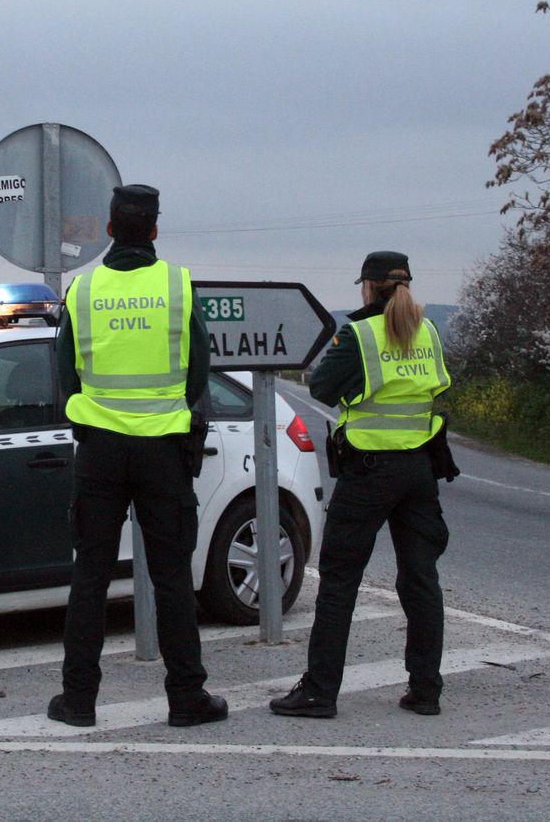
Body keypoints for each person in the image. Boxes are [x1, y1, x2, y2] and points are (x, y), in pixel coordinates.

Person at [48, 184, 227, 729]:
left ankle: (78, 701)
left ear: (108, 230)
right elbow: (199, 370)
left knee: (91, 578)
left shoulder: (81, 291)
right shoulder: (177, 284)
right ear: (154, 230)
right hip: (163, 452)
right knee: (172, 577)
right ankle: (186, 698)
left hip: (100, 451)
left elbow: (63, 372)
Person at [270, 250, 454, 719]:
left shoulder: (360, 334)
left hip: (371, 471)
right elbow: (436, 388)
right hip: (418, 469)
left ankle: (320, 691)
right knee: (420, 579)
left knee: (339, 581)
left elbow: (323, 389)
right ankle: (426, 690)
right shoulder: (428, 331)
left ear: (368, 287)